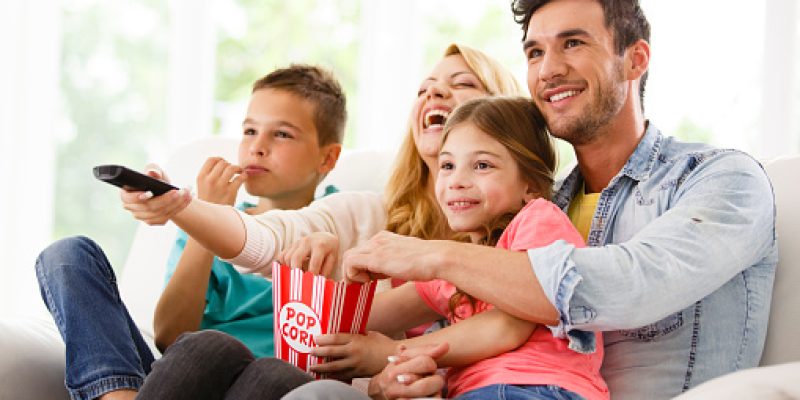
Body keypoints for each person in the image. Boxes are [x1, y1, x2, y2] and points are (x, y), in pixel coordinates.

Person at [342, 0, 778, 399]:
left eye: (572, 43)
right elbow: (453, 329)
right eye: (534, 53)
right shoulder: (520, 208)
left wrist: (436, 257)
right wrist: (394, 373)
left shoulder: (722, 179)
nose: (548, 70)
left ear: (635, 59)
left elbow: (629, 284)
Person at [122, 44, 526, 399]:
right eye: (424, 88)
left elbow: (514, 323)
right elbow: (272, 239)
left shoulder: (528, 238)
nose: (434, 92)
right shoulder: (369, 218)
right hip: (321, 378)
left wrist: (384, 354)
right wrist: (184, 206)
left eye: (463, 84)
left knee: (269, 371)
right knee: (208, 348)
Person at [34, 64, 346, 400]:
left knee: (247, 360)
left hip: (263, 387)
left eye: (282, 134)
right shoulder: (207, 219)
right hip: (179, 380)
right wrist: (211, 220)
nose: (257, 147)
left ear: (327, 158)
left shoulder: (343, 224)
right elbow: (170, 336)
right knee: (68, 255)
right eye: (250, 131)